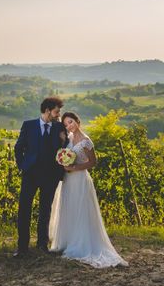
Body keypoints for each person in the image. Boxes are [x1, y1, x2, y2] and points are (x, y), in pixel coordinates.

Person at [49, 111, 128, 268]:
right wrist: (64, 163)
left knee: (81, 210)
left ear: (78, 121)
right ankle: (68, 241)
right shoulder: (69, 139)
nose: (69, 126)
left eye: (70, 122)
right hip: (68, 180)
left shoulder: (86, 141)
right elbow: (64, 153)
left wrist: (75, 167)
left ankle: (81, 244)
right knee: (69, 209)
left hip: (80, 179)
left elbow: (93, 162)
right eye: (66, 124)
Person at [13, 97, 67, 257]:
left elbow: (64, 152)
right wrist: (23, 166)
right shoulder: (29, 125)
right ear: (47, 110)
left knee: (45, 210)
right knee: (24, 209)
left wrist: (64, 142)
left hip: (50, 176)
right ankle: (22, 247)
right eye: (57, 112)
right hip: (30, 175)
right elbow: (18, 148)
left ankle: (42, 245)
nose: (59, 115)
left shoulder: (59, 127)